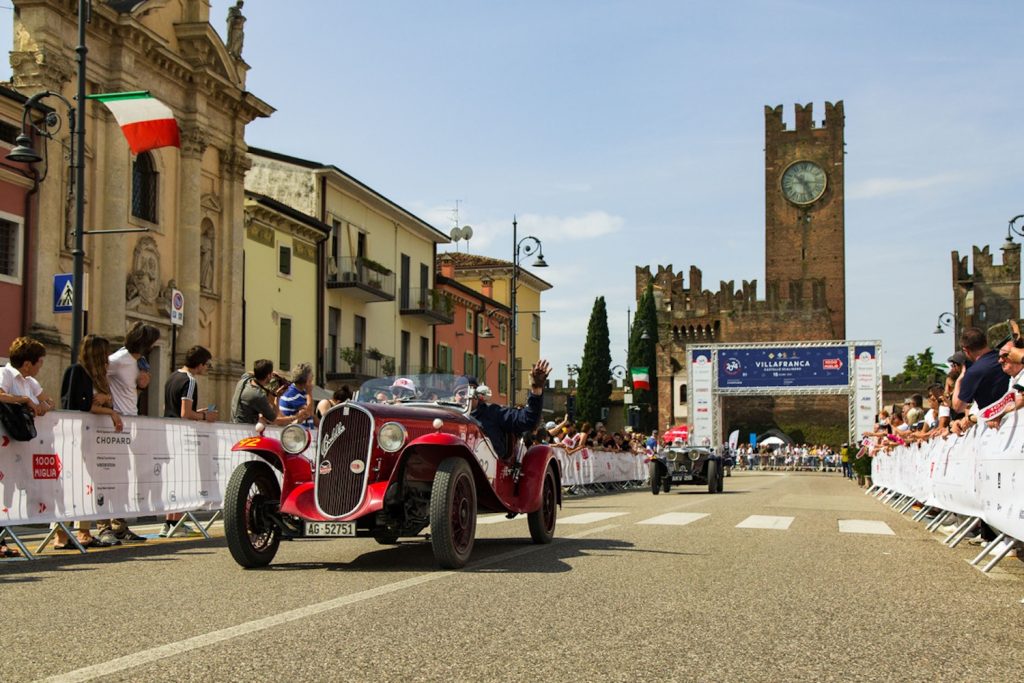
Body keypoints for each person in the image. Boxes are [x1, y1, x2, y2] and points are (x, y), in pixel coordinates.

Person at [55, 335, 124, 549]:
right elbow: (79, 405)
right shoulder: (77, 372)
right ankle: (63, 534)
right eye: (104, 354)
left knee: (86, 485)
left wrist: (107, 401)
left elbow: (95, 400)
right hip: (75, 437)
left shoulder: (95, 378)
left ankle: (82, 531)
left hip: (90, 438)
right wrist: (109, 411)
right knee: (71, 484)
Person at [101, 321, 160, 544]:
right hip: (113, 424)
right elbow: (97, 375)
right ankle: (103, 525)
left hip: (129, 422)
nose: (153, 346)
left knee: (123, 477)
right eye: (151, 342)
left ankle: (119, 525)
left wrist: (141, 387)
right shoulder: (118, 360)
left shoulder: (139, 363)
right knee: (109, 474)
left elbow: (129, 391)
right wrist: (106, 401)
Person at [0, 337, 54, 557]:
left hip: (19, 446)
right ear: (28, 363)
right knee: (4, 491)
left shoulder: (29, 381)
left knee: (10, 492)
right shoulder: (5, 373)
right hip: (5, 441)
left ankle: (2, 537)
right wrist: (24, 400)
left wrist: (43, 406)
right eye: (39, 362)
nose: (41, 367)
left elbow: (49, 401)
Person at [162, 345, 217, 537]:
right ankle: (176, 522)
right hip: (181, 434)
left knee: (173, 479)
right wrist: (204, 417)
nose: (207, 368)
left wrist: (197, 412)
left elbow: (175, 408)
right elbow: (185, 413)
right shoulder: (190, 380)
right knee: (181, 479)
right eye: (207, 365)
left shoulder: (172, 377)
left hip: (168, 430)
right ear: (200, 364)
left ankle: (169, 522)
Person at [465, 360, 550, 459]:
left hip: (489, 467)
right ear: (454, 396)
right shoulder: (449, 417)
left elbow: (527, 419)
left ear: (479, 395)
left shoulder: (494, 413)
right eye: (461, 392)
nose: (467, 396)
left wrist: (536, 388)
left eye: (471, 391)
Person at [230, 359, 303, 426]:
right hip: (246, 432)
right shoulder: (258, 395)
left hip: (233, 426)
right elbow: (274, 419)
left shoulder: (244, 380)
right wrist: (295, 417)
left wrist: (268, 373)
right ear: (268, 376)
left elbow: (248, 373)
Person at [279, 362, 315, 427]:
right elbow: (309, 412)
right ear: (305, 379)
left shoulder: (301, 392)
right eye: (311, 376)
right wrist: (309, 393)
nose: (312, 377)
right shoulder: (292, 394)